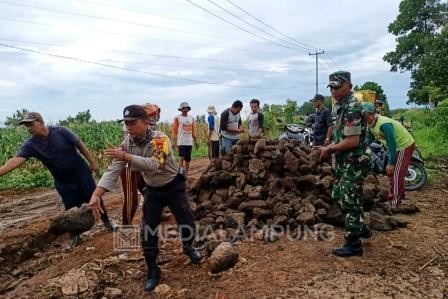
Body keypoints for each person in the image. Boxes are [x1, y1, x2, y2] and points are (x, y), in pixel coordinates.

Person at [89, 105, 202, 292]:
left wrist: (126, 156)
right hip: (153, 190)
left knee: (186, 220)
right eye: (126, 123)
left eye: (132, 123)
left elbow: (154, 164)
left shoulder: (160, 139)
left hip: (173, 186)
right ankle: (152, 269)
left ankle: (189, 247)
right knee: (147, 230)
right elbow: (113, 169)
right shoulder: (128, 143)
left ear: (146, 122)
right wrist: (96, 195)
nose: (128, 127)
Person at [0, 112, 115, 249]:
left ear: (41, 122)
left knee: (95, 199)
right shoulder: (31, 145)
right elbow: (16, 160)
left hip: (81, 173)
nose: (29, 128)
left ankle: (108, 223)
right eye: (26, 126)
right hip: (63, 181)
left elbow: (80, 145)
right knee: (70, 209)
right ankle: (74, 236)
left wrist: (93, 162)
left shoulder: (61, 132)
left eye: (31, 124)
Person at [319, 71, 371, 257]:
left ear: (348, 85)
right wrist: (329, 145)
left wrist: (330, 149)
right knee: (339, 194)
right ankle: (360, 226)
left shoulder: (352, 107)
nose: (333, 91)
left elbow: (353, 141)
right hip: (344, 160)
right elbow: (342, 136)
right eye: (331, 87)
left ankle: (354, 244)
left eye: (337, 87)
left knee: (349, 199)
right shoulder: (339, 105)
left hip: (354, 161)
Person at [362, 102, 416, 207]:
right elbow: (370, 138)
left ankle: (394, 202)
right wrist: (365, 149)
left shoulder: (384, 125)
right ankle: (400, 197)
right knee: (391, 173)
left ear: (372, 114)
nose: (364, 118)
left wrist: (391, 162)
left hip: (403, 146)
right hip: (395, 147)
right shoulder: (370, 123)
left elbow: (392, 145)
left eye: (365, 115)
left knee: (397, 174)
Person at [172, 102, 199, 176]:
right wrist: (174, 142)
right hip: (181, 141)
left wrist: (196, 141)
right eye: (183, 108)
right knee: (181, 158)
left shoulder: (191, 118)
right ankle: (181, 174)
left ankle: (186, 174)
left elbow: (193, 131)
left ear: (188, 109)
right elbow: (174, 131)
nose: (185, 109)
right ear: (181, 109)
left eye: (186, 108)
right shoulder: (177, 118)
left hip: (189, 142)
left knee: (187, 159)